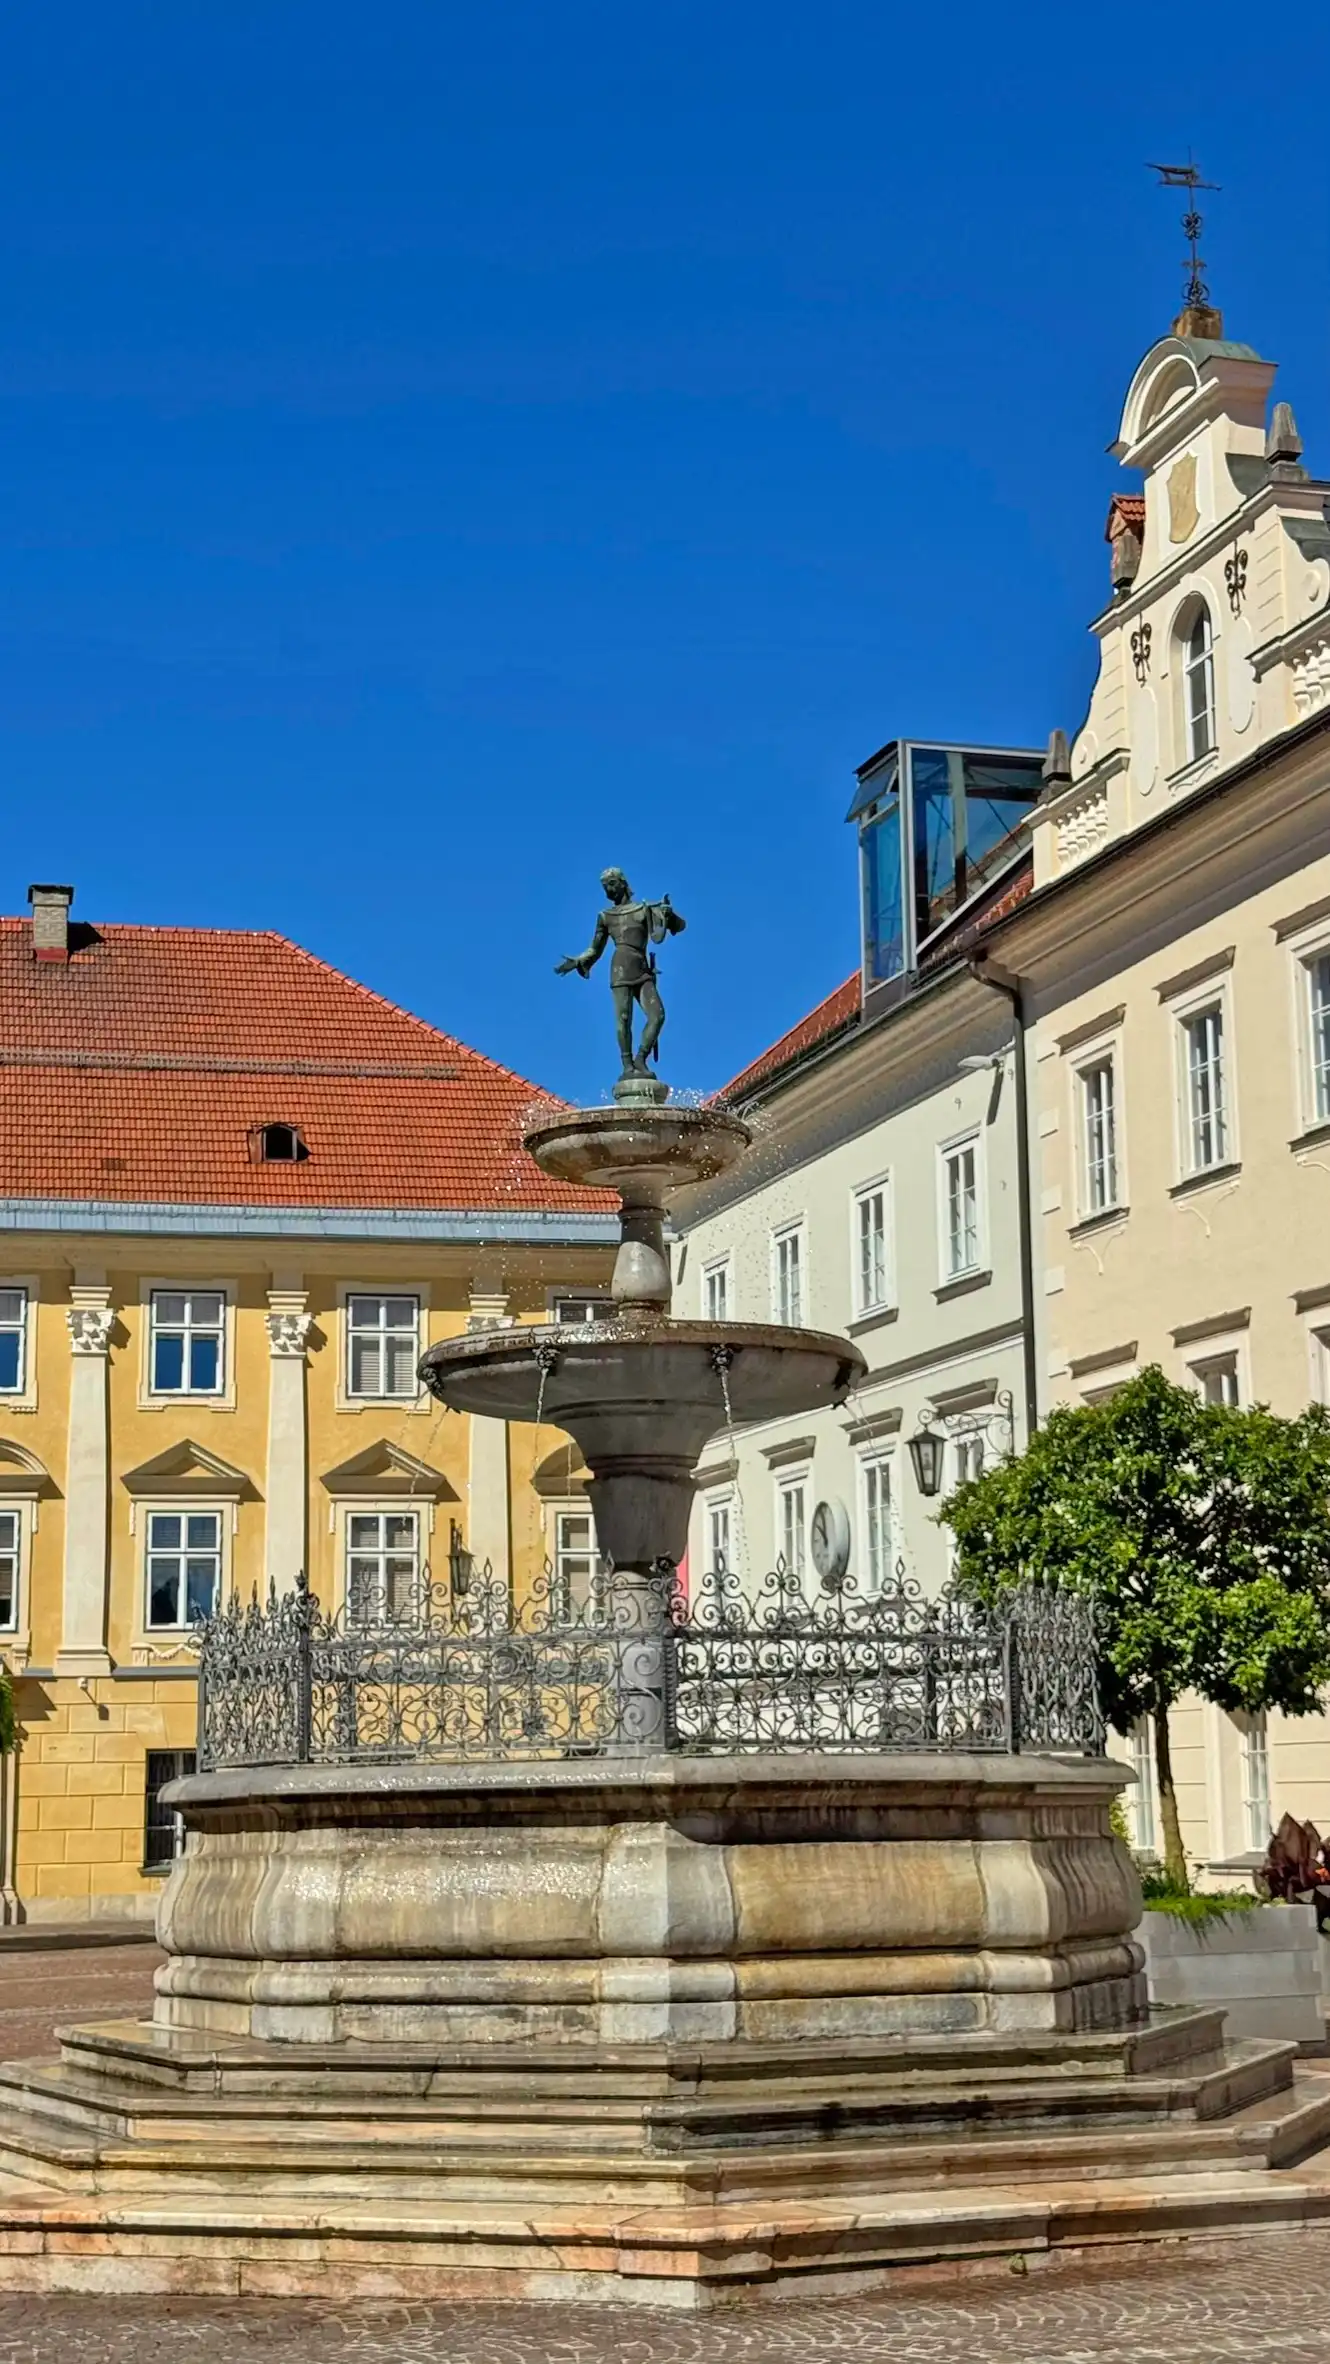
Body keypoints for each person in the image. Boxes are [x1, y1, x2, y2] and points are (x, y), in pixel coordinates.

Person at [556, 868, 685, 1079]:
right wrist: (579, 960)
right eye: (605, 887)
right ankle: (627, 1065)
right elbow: (595, 949)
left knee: (658, 1015)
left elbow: (677, 927)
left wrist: (669, 914)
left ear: (623, 883)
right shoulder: (605, 917)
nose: (608, 890)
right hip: (620, 970)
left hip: (642, 969)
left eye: (611, 884)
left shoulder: (645, 909)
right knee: (623, 1019)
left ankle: (640, 1059)